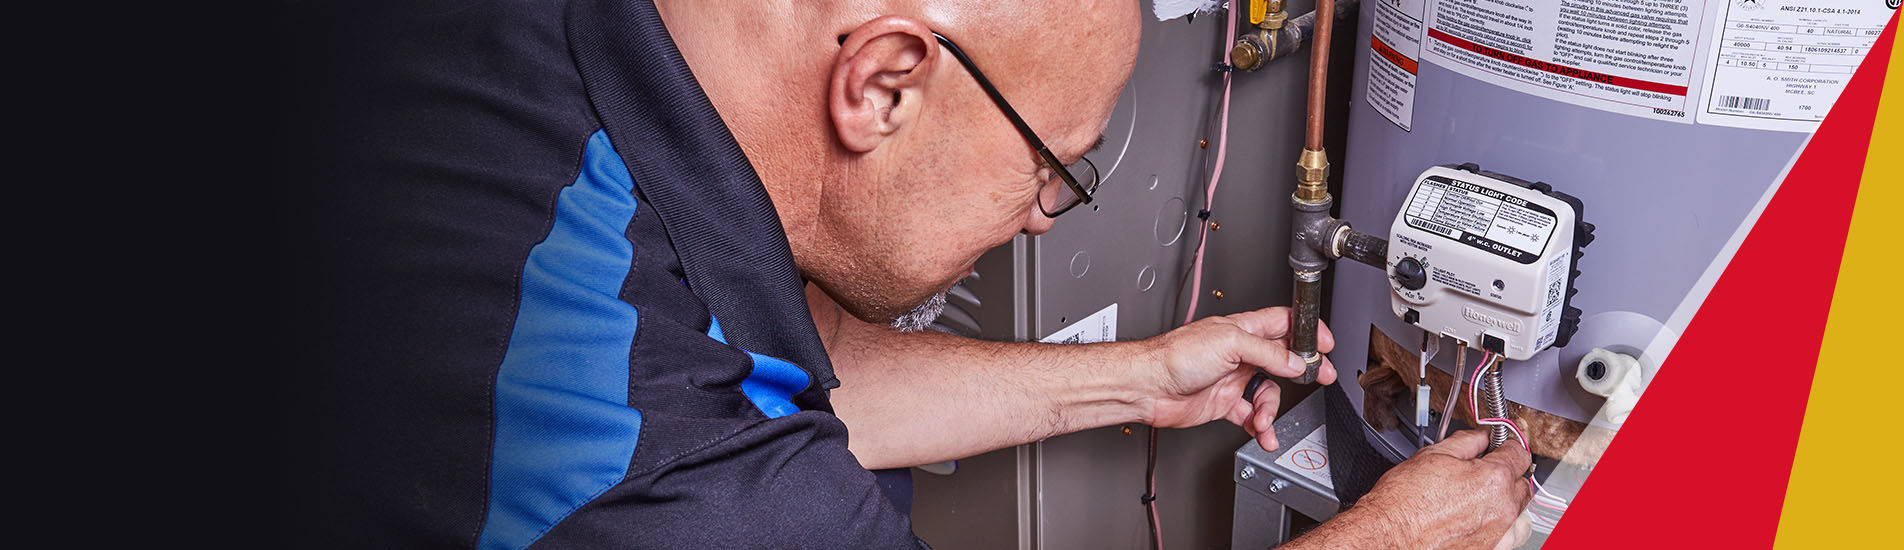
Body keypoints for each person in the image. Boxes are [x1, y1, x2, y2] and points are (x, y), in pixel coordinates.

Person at [278, 0, 1531, 547]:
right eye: (1055, 168)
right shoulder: (686, 504)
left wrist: (1128, 378)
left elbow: (751, 371)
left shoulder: (553, 69)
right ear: (884, 82)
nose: (1045, 221)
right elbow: (686, 442)